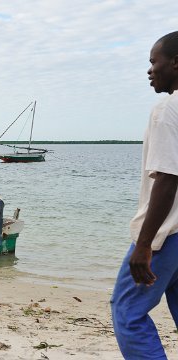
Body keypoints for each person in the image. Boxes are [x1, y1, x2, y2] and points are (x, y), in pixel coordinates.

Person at [111, 31, 178, 359]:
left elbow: (167, 179)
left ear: (176, 63)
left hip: (166, 237)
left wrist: (144, 245)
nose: (150, 70)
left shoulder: (167, 110)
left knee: (128, 313)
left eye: (154, 62)